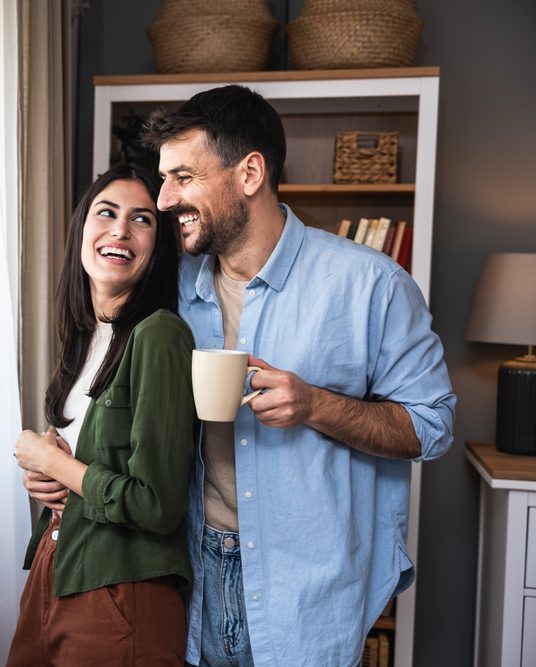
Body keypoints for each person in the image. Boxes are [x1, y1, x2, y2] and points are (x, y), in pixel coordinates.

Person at [141, 85, 456, 666]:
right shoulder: (175, 283)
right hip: (189, 575)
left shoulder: (372, 286)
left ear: (250, 173)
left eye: (182, 177)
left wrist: (315, 406)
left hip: (309, 590)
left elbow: (430, 427)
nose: (164, 200)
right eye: (164, 180)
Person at [7, 164, 196, 665]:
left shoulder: (159, 334)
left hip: (121, 588)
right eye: (106, 213)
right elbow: (84, 465)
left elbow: (156, 504)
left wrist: (54, 465)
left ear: (157, 247)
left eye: (142, 220)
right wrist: (46, 475)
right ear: (82, 229)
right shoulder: (84, 337)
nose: (120, 230)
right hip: (57, 563)